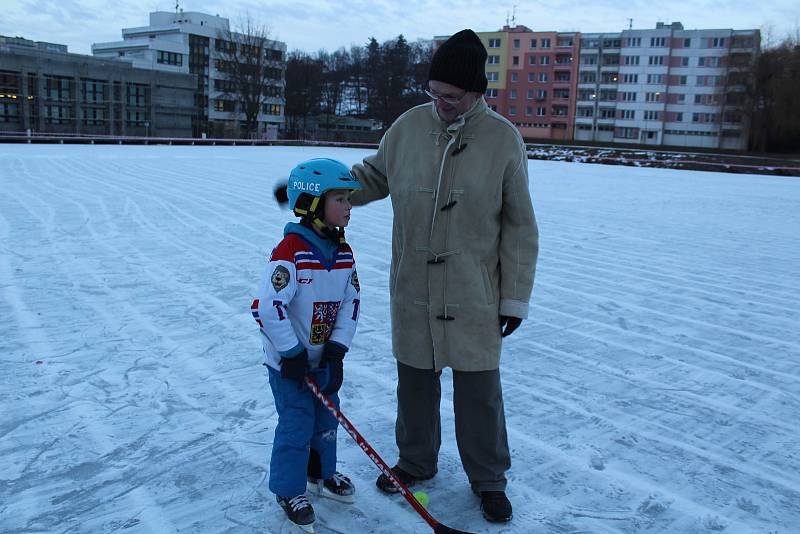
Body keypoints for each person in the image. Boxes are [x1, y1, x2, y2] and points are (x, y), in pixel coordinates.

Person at [348, 29, 539, 523]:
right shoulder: (409, 126)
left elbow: (520, 227)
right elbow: (372, 176)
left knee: (479, 396)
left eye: (452, 97)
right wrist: (324, 190)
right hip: (414, 286)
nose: (442, 105)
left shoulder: (503, 140)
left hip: (474, 293)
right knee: (413, 385)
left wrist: (513, 299)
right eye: (434, 94)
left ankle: (489, 480)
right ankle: (414, 462)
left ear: (477, 93)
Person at [252, 158, 363, 532]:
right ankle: (288, 488)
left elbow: (351, 303)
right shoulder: (291, 252)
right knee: (297, 423)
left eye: (349, 198)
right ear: (313, 204)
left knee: (326, 420)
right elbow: (267, 308)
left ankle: (321, 475)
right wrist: (292, 354)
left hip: (322, 359)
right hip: (289, 364)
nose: (349, 207)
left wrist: (337, 349)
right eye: (340, 199)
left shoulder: (343, 253)